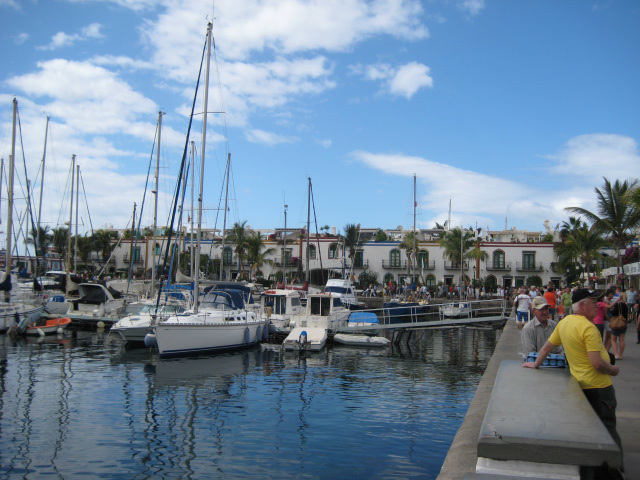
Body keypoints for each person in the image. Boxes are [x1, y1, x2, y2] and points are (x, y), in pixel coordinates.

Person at [523, 288, 622, 458]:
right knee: (607, 428)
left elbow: (547, 347)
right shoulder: (588, 328)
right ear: (582, 305)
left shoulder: (564, 323)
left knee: (589, 429)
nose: (597, 306)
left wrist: (536, 364)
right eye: (593, 302)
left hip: (580, 387)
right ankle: (615, 468)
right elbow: (597, 363)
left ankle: (595, 466)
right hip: (600, 388)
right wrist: (613, 370)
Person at [610, 293, 628, 360]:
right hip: (623, 323)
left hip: (616, 323)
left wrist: (612, 310)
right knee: (622, 340)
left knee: (613, 340)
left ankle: (616, 354)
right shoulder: (625, 305)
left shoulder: (618, 305)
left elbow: (613, 313)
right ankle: (620, 354)